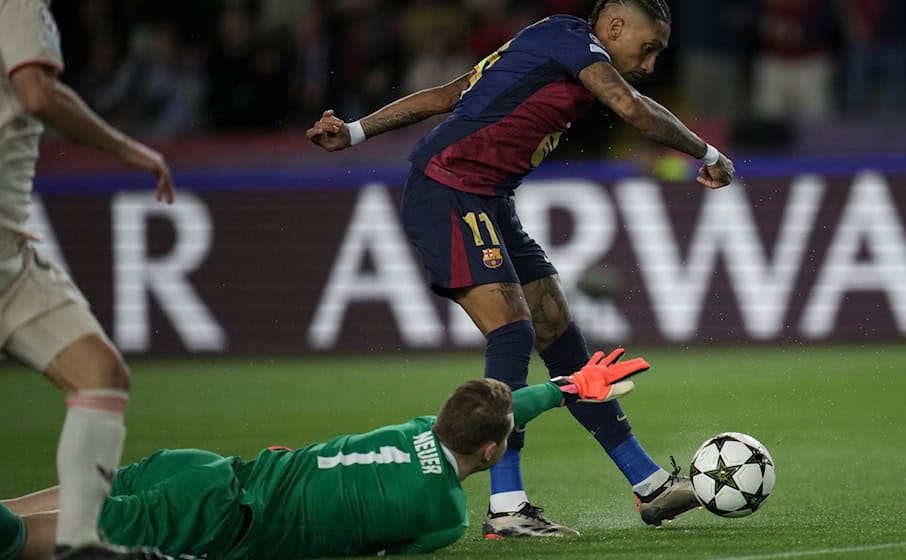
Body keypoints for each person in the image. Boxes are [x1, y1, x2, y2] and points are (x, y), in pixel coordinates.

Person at [307, 0, 735, 538]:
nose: (650, 64)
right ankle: (507, 507)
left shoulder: (546, 45)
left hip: (490, 198)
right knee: (512, 331)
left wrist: (355, 130)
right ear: (616, 25)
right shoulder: (571, 41)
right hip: (448, 188)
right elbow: (632, 108)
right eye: (648, 48)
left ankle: (648, 484)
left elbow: (447, 94)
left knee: (557, 327)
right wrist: (709, 153)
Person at [4, 349, 650, 559]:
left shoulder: (420, 429)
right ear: (488, 451)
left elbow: (505, 410)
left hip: (203, 468)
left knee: (19, 514)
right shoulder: (443, 516)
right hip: (220, 517)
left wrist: (566, 388)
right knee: (19, 542)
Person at [0, 0, 175, 558]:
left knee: (99, 373)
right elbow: (35, 93)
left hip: (8, 251)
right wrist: (125, 148)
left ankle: (80, 544)